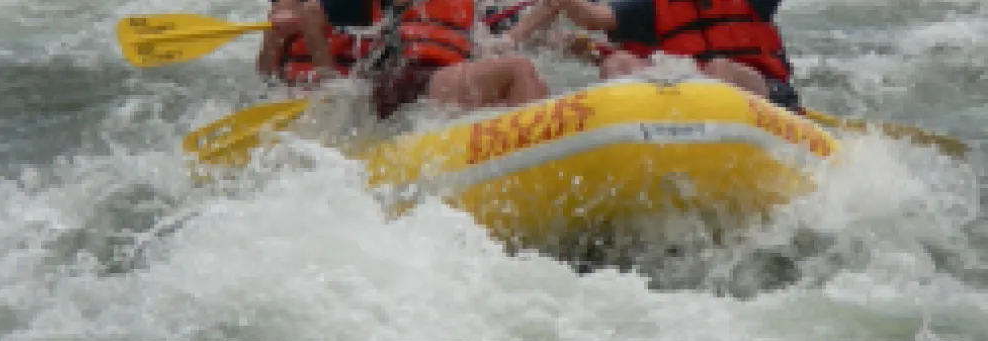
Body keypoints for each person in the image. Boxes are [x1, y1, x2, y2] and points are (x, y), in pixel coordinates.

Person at [257, 0, 550, 120]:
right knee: (518, 71)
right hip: (402, 82)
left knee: (532, 80)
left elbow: (502, 33)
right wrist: (327, 76)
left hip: (437, 77)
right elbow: (313, 11)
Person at [501, 0, 803, 113]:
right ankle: (631, 140)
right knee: (617, 63)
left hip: (768, 96)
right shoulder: (652, 6)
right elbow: (591, 16)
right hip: (693, 104)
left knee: (719, 69)